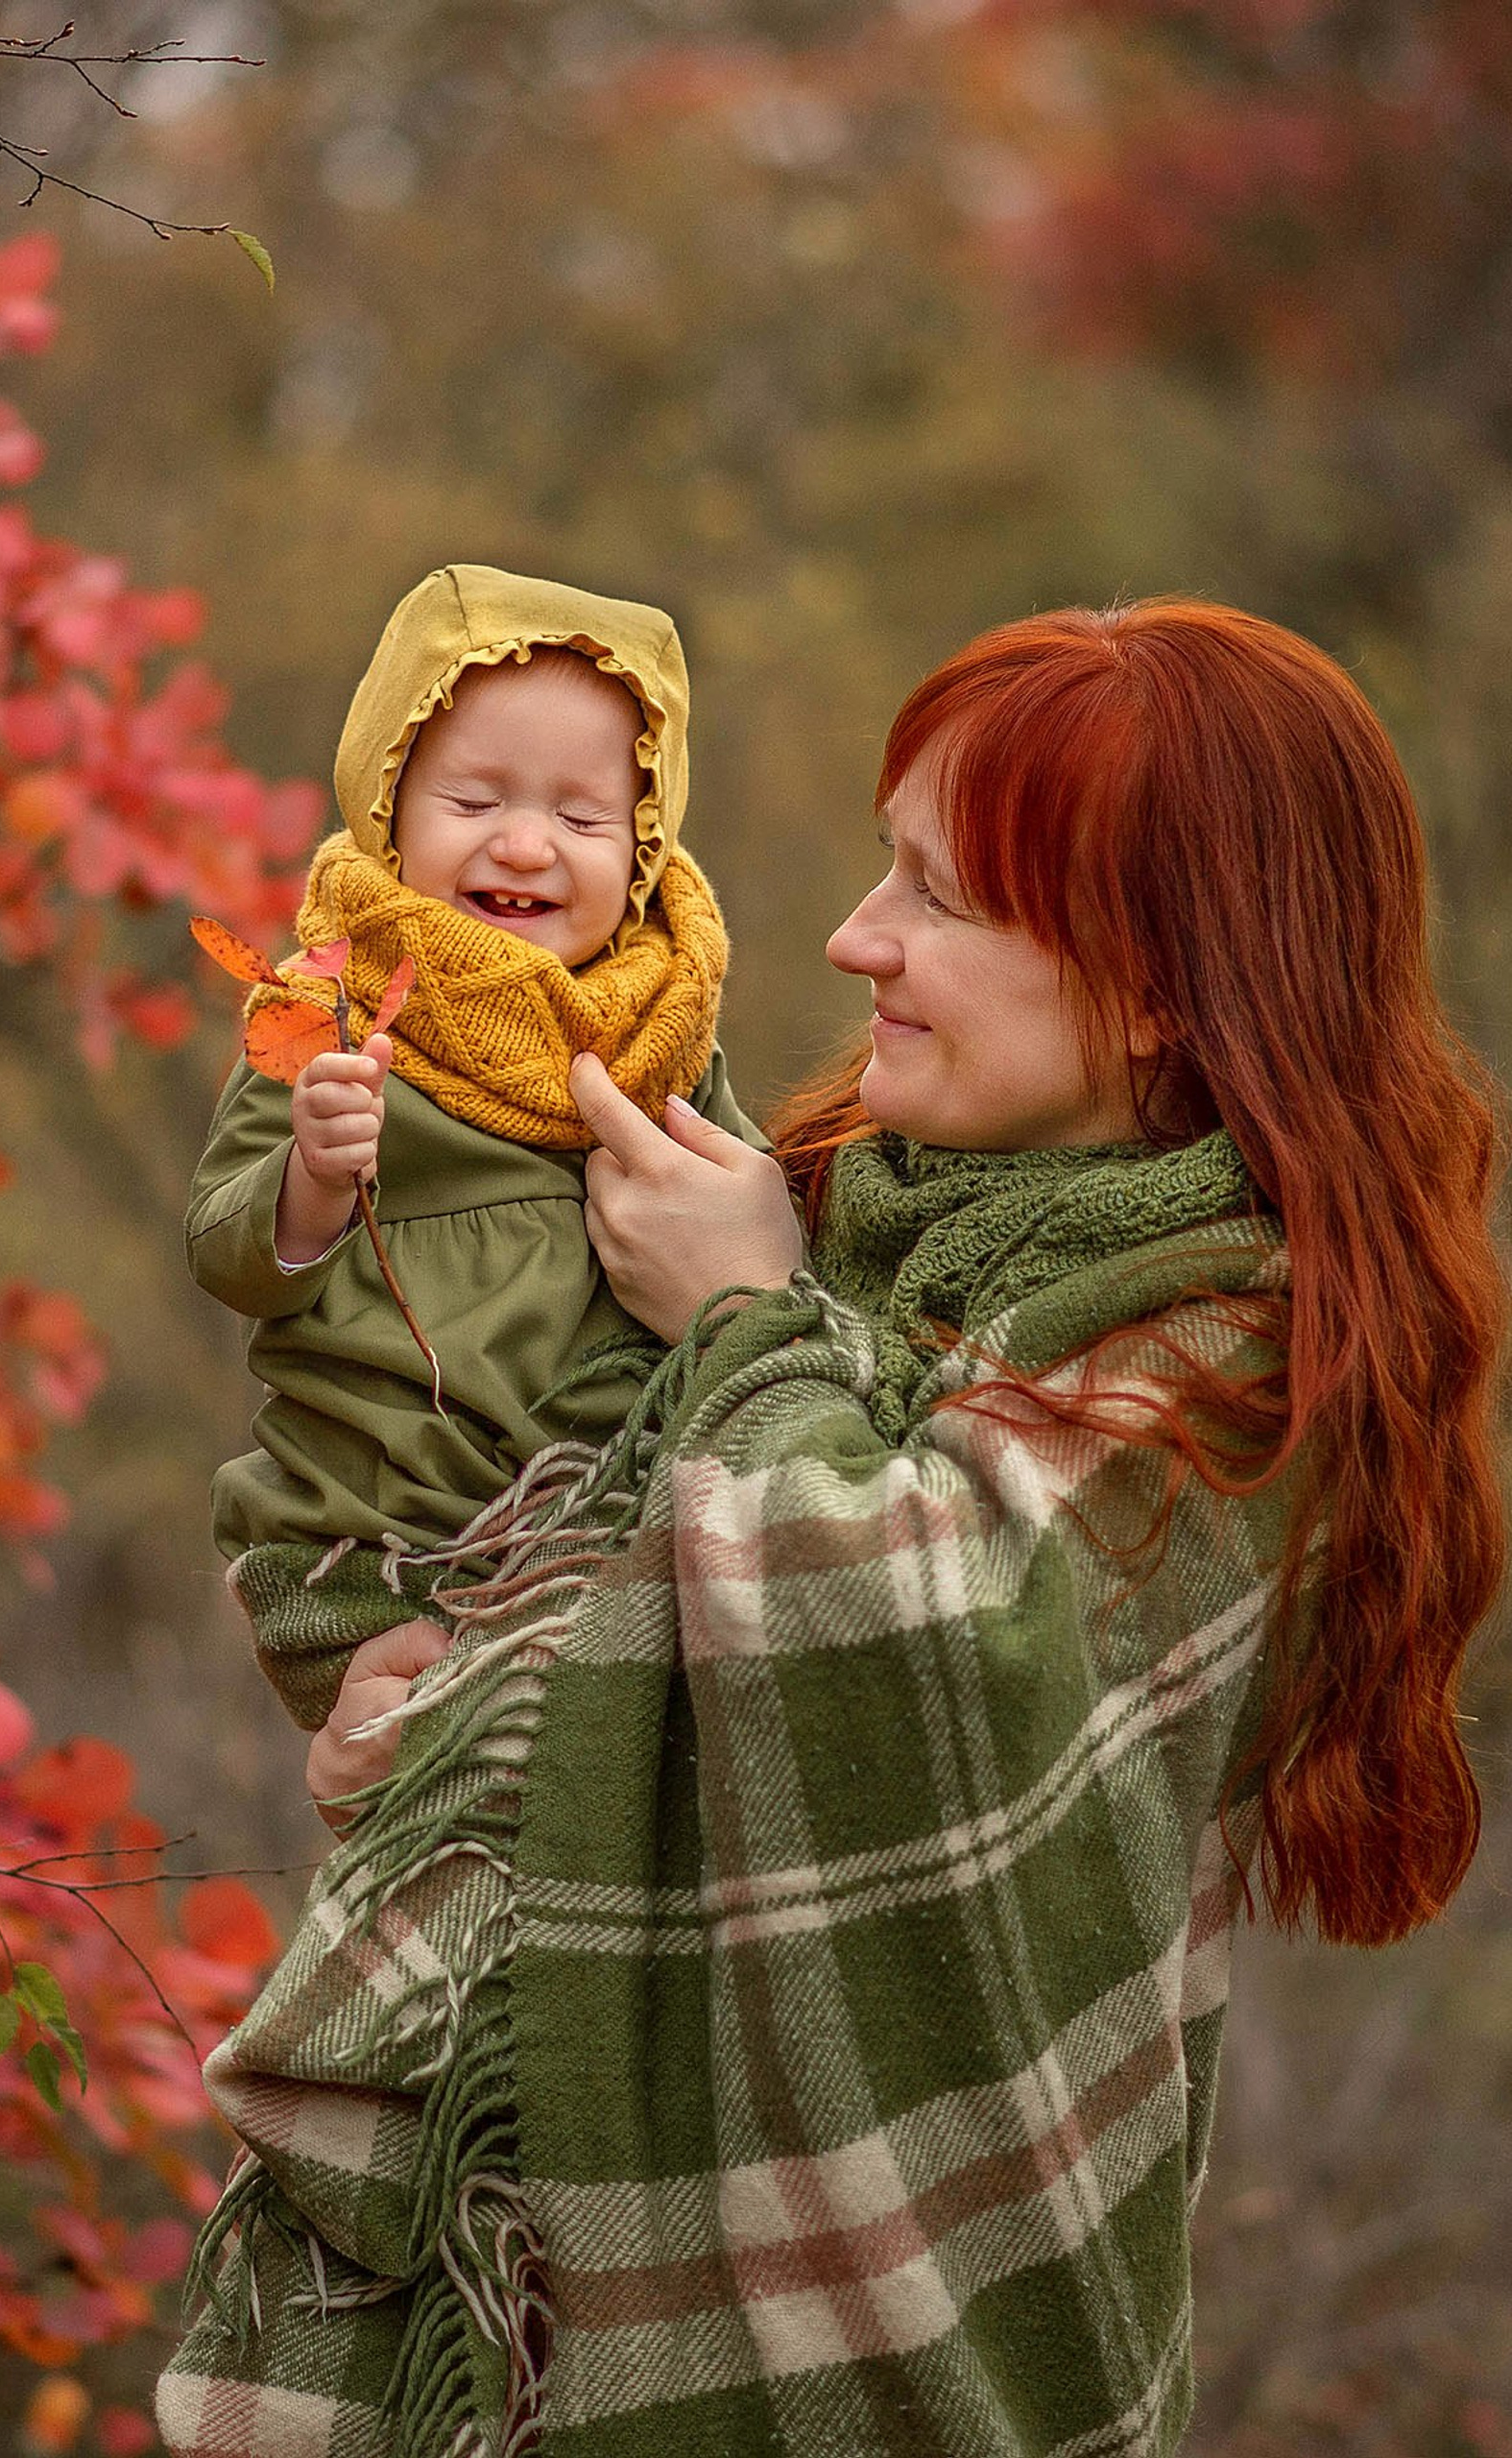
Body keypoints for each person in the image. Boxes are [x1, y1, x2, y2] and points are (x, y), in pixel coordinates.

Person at [162, 600, 1505, 2458]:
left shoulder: (1232, 1369)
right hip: (535, 2336)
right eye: (886, 868)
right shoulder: (836, 1227)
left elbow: (913, 1650)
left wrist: (738, 1320)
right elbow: (438, 1460)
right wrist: (416, 1689)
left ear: (1157, 984)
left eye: (940, 898)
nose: (852, 936)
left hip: (896, 2363)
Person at [185, 564, 767, 1736]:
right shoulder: (329, 1009)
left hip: (595, 1527)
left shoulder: (659, 1032)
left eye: (580, 815)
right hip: (377, 1528)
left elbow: (753, 1222)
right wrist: (310, 1180)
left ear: (644, 846)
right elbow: (222, 1251)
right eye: (474, 801)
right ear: (390, 807)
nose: (524, 843)